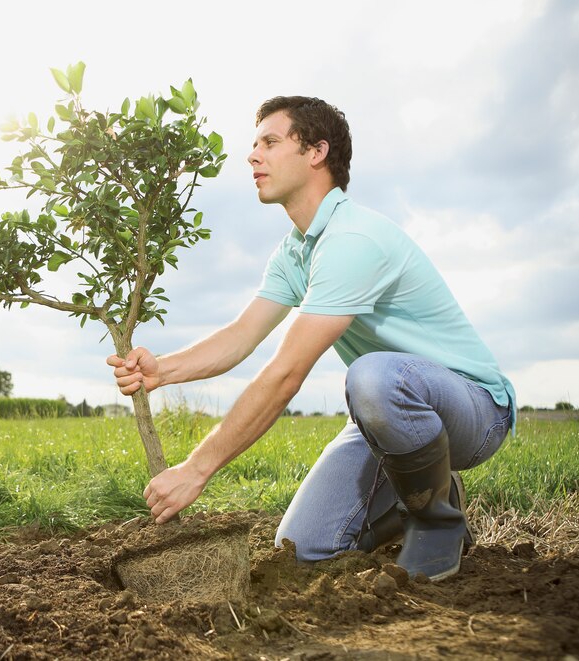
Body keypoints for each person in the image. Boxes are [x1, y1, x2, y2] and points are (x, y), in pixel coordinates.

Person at [106, 96, 515, 581]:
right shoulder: (296, 251)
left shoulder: (352, 240)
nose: (252, 156)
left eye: (270, 142)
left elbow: (285, 374)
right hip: (386, 417)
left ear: (317, 152)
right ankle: (428, 494)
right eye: (254, 144)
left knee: (373, 375)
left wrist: (195, 470)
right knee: (301, 549)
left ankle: (435, 521)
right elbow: (241, 336)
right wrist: (162, 371)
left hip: (473, 411)